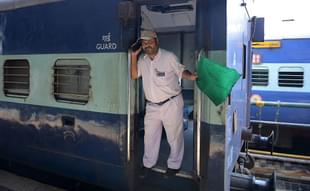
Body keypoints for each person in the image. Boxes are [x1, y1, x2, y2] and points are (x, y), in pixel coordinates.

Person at [131, 30, 197, 177]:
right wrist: (134, 56)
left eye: (149, 41)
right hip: (152, 106)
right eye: (144, 42)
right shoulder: (142, 60)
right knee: (150, 137)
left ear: (156, 41)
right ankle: (148, 163)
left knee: (174, 136)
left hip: (171, 103)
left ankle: (174, 165)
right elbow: (134, 75)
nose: (147, 45)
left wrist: (191, 76)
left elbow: (181, 71)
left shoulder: (168, 57)